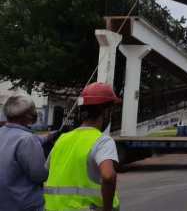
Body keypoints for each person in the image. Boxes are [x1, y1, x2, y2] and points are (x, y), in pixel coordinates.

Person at [44, 82, 121, 211]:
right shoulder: (102, 141)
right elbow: (108, 176)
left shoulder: (62, 140)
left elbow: (47, 171)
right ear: (106, 112)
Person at [0, 95, 53, 211]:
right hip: (23, 205)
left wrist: (47, 137)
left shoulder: (4, 133)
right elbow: (40, 176)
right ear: (27, 115)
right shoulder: (27, 140)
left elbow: (18, 140)